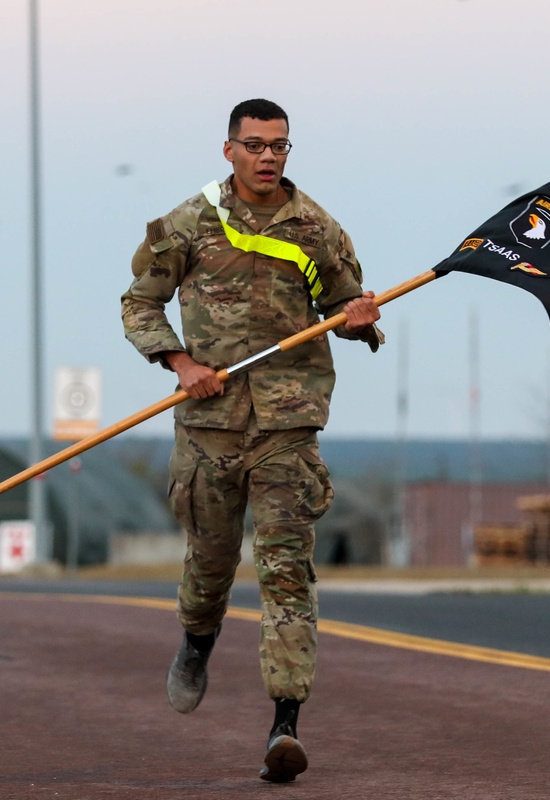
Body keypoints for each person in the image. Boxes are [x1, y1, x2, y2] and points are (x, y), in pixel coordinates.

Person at [120, 98, 383, 783]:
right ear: (229, 149)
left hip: (287, 424)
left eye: (280, 146)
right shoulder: (187, 223)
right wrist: (181, 365)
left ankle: (284, 724)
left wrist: (357, 318)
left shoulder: (317, 228)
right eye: (257, 144)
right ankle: (196, 642)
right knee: (210, 568)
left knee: (285, 572)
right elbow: (139, 302)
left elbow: (346, 311)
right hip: (210, 428)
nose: (269, 156)